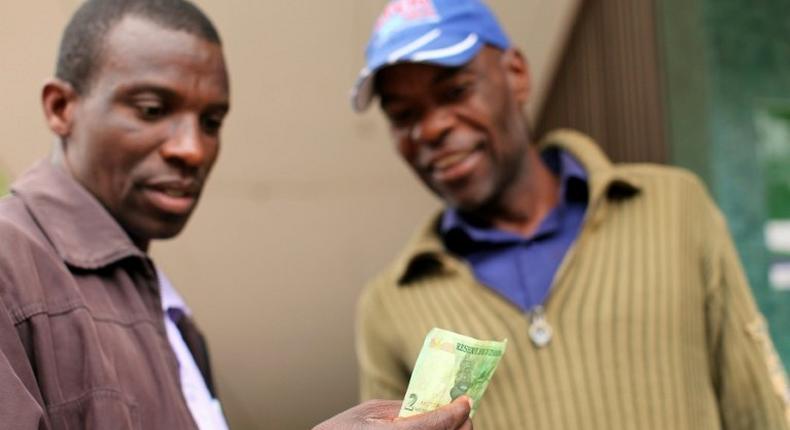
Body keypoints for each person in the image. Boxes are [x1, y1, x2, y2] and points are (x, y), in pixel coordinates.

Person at [0, 1, 473, 429]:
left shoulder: (169, 317)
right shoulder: (10, 261)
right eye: (151, 109)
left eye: (212, 122)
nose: (192, 148)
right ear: (61, 108)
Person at [351, 0, 790, 429]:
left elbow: (757, 407)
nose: (429, 129)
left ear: (517, 75)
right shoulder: (390, 305)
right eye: (404, 115)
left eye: (455, 91)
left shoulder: (673, 207)